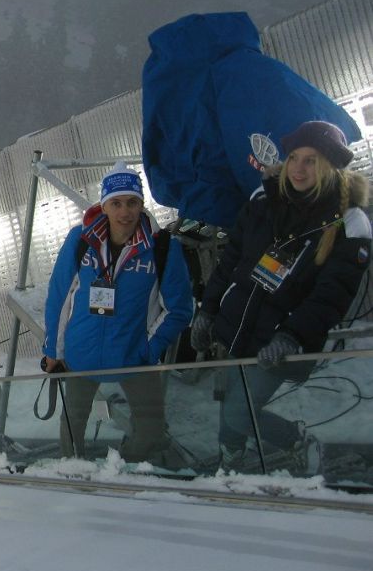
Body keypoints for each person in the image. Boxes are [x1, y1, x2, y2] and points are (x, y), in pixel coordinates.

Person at [189, 120, 371, 473]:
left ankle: (248, 459)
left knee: (239, 411)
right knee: (233, 406)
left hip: (280, 339)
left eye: (311, 160)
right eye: (294, 158)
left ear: (330, 166)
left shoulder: (350, 223)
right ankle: (257, 452)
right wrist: (208, 311)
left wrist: (292, 336)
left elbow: (332, 295)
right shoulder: (262, 201)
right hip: (235, 327)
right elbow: (230, 263)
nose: (299, 169)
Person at [42, 162, 194, 462]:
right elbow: (59, 298)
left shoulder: (162, 247)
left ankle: (124, 468)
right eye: (116, 203)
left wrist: (149, 348)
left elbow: (179, 308)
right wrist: (53, 349)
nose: (125, 211)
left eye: (132, 202)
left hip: (132, 355)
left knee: (151, 432)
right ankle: (76, 480)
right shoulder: (80, 242)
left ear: (141, 204)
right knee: (71, 433)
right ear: (105, 206)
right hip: (81, 353)